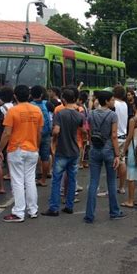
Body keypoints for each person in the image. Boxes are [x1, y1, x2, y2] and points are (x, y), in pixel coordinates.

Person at [0, 85, 43, 223]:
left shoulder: (13, 111)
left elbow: (7, 133)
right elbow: (39, 132)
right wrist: (37, 146)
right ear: (28, 95)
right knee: (30, 180)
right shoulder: (37, 110)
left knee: (17, 181)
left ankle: (18, 212)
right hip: (32, 148)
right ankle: (33, 210)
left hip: (16, 149)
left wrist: (0, 150)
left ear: (15, 96)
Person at [42, 88, 86, 216]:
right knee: (72, 179)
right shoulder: (79, 114)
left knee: (57, 180)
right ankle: (69, 205)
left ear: (63, 100)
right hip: (75, 150)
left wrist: (54, 141)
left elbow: (56, 131)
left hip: (62, 150)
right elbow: (83, 131)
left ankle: (54, 208)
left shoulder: (60, 114)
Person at [84, 91, 126, 223]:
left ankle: (89, 215)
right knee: (111, 181)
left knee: (93, 182)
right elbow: (114, 135)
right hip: (108, 149)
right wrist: (117, 155)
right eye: (112, 100)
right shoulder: (112, 115)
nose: (114, 102)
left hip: (95, 149)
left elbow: (87, 130)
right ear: (106, 101)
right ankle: (114, 211)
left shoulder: (91, 113)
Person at [30, 85, 52, 187]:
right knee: (45, 157)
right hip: (46, 134)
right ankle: (43, 179)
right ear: (42, 94)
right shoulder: (47, 104)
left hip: (34, 134)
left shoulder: (30, 105)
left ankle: (33, 177)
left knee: (34, 155)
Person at [113, 85, 128, 195]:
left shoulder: (114, 104)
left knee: (112, 163)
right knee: (122, 162)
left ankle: (111, 188)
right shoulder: (124, 104)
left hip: (115, 137)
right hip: (123, 136)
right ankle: (122, 187)